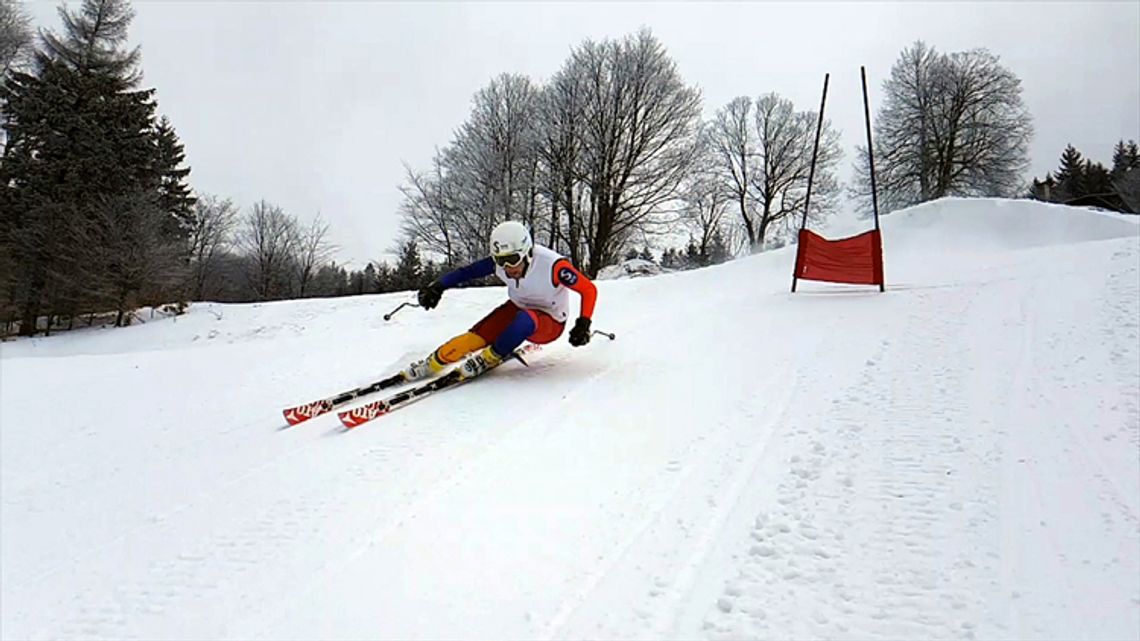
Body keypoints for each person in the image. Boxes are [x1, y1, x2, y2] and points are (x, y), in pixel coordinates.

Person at [404, 220, 598, 381]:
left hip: (550, 322)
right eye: (500, 261)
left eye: (513, 259)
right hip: (518, 307)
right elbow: (467, 272)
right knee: (478, 335)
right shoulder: (501, 263)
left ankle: (490, 357)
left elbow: (588, 289)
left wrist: (584, 323)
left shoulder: (553, 266)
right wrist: (438, 286)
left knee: (525, 319)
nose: (507, 267)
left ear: (528, 253)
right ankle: (435, 362)